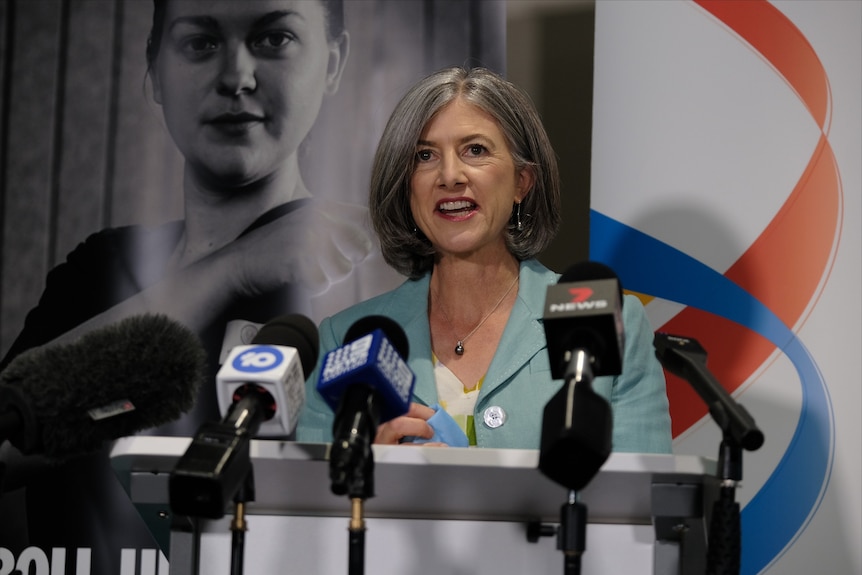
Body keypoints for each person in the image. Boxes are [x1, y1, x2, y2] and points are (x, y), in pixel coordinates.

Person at [0, 0, 370, 568]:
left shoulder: (366, 284)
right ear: (154, 70)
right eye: (200, 43)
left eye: (273, 39)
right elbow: (8, 440)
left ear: (333, 63)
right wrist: (229, 269)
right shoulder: (97, 268)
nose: (236, 77)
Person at [297, 66, 672, 452]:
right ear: (406, 187)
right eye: (424, 156)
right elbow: (303, 504)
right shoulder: (345, 339)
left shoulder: (605, 320)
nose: (449, 175)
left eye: (475, 150)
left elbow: (640, 498)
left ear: (522, 183)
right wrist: (368, 470)